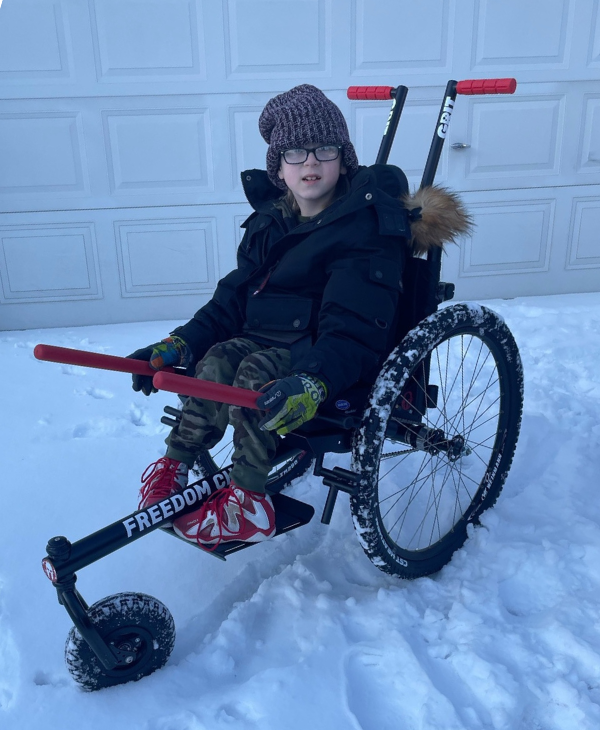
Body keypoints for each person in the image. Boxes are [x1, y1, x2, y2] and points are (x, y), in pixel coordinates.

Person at [128, 84, 411, 549]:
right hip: (267, 338)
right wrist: (178, 345)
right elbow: (231, 301)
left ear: (345, 159)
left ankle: (249, 502)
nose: (311, 163)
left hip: (323, 355)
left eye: (325, 149)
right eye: (296, 152)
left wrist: (316, 381)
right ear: (278, 167)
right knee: (218, 358)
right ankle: (174, 463)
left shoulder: (366, 229)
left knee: (253, 371)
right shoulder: (269, 222)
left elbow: (354, 327)